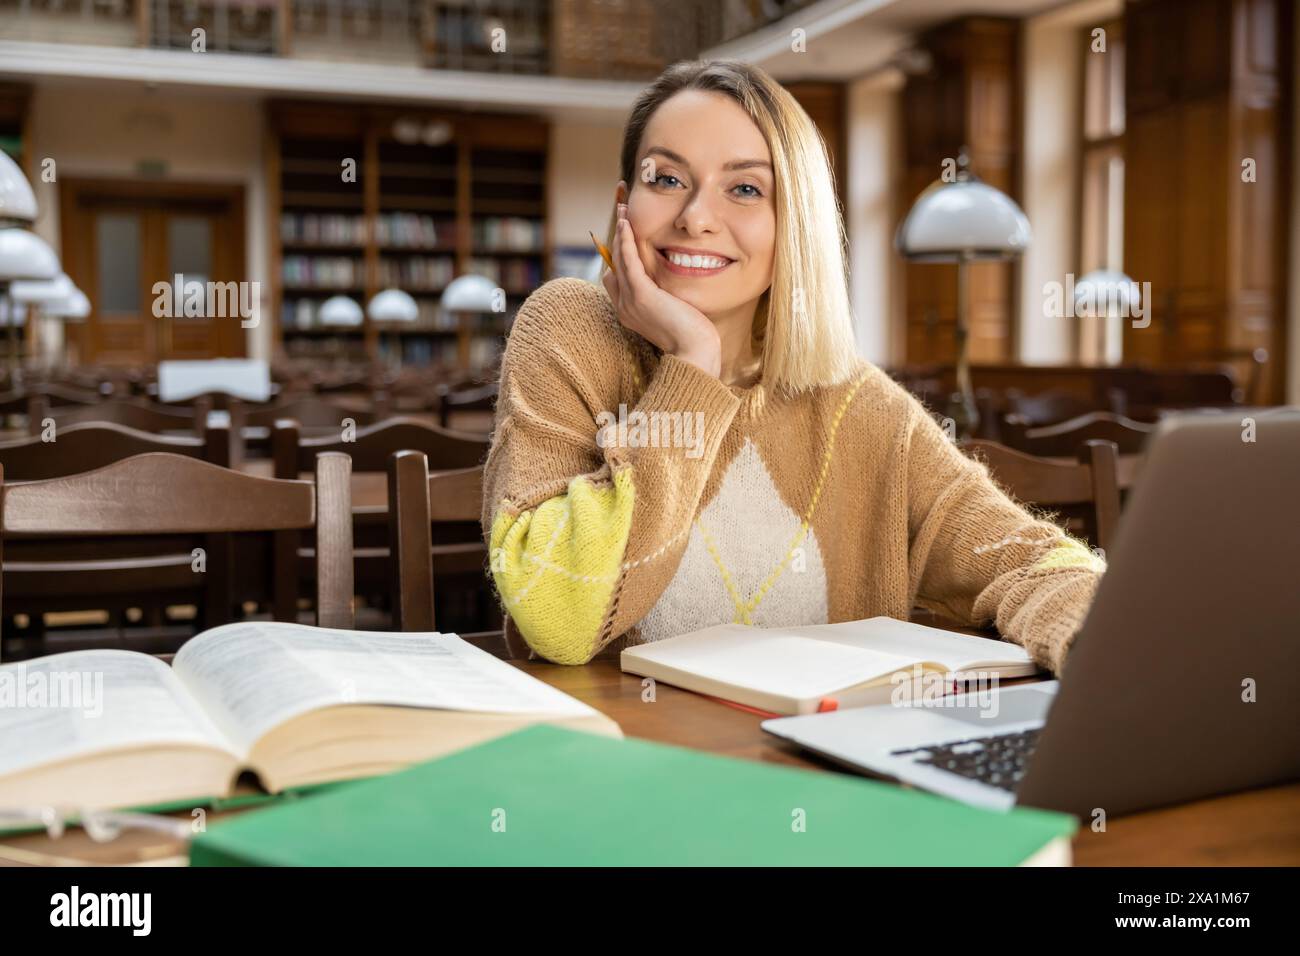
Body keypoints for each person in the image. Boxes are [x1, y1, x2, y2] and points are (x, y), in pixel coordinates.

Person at [481, 59, 1104, 671]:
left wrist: (1100, 639)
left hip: (822, 760)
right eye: (666, 179)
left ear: (794, 228)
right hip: (628, 761)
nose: (696, 216)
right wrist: (692, 366)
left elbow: (1024, 559)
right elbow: (557, 616)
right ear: (624, 206)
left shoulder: (855, 402)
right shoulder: (569, 329)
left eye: (745, 188)